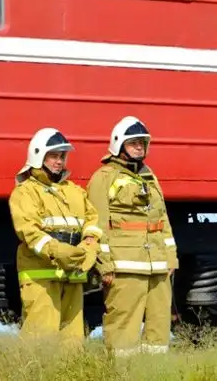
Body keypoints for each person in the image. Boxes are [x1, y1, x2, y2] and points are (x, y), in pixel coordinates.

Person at [86, 116, 179, 356]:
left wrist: (171, 259)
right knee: (123, 332)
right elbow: (97, 226)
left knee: (159, 331)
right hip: (125, 267)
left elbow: (163, 221)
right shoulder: (103, 177)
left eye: (142, 142)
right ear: (119, 144)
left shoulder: (150, 176)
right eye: (133, 142)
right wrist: (104, 265)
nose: (139, 146)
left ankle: (152, 372)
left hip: (158, 268)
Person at [8, 127, 101, 345]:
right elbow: (28, 231)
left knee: (72, 341)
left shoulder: (74, 191)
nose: (59, 162)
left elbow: (92, 220)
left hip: (72, 275)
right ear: (38, 155)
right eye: (53, 156)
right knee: (41, 340)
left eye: (62, 156)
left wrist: (90, 245)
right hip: (41, 275)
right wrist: (57, 251)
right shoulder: (25, 192)